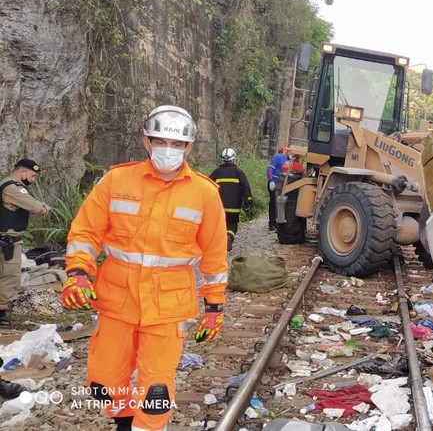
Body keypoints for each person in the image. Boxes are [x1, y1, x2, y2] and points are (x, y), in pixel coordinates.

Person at [61, 105, 228, 431]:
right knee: (104, 384)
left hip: (167, 307)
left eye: (177, 144)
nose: (169, 150)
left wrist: (214, 307)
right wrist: (78, 273)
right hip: (115, 300)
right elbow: (85, 233)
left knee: (156, 391)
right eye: (161, 141)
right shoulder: (116, 180)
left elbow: (215, 256)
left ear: (189, 147)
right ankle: (123, 423)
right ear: (147, 142)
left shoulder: (204, 194)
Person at [0, 159, 50, 327]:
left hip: (8, 240)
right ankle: (1, 314)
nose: (33, 179)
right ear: (22, 172)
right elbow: (35, 206)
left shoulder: (11, 186)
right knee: (10, 276)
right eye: (32, 175)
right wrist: (42, 208)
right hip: (7, 241)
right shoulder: (12, 187)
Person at [209, 148, 253, 251]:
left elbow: (207, 186)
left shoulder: (216, 172)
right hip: (234, 207)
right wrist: (248, 202)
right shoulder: (239, 172)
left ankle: (220, 241)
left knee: (220, 224)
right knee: (232, 224)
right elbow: (246, 187)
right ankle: (229, 237)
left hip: (219, 207)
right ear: (234, 159)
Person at [266, 147, 289, 231]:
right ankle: (272, 223)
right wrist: (271, 180)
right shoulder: (278, 157)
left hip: (282, 184)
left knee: (279, 203)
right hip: (274, 183)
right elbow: (270, 169)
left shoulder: (289, 160)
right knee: (273, 203)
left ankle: (277, 222)